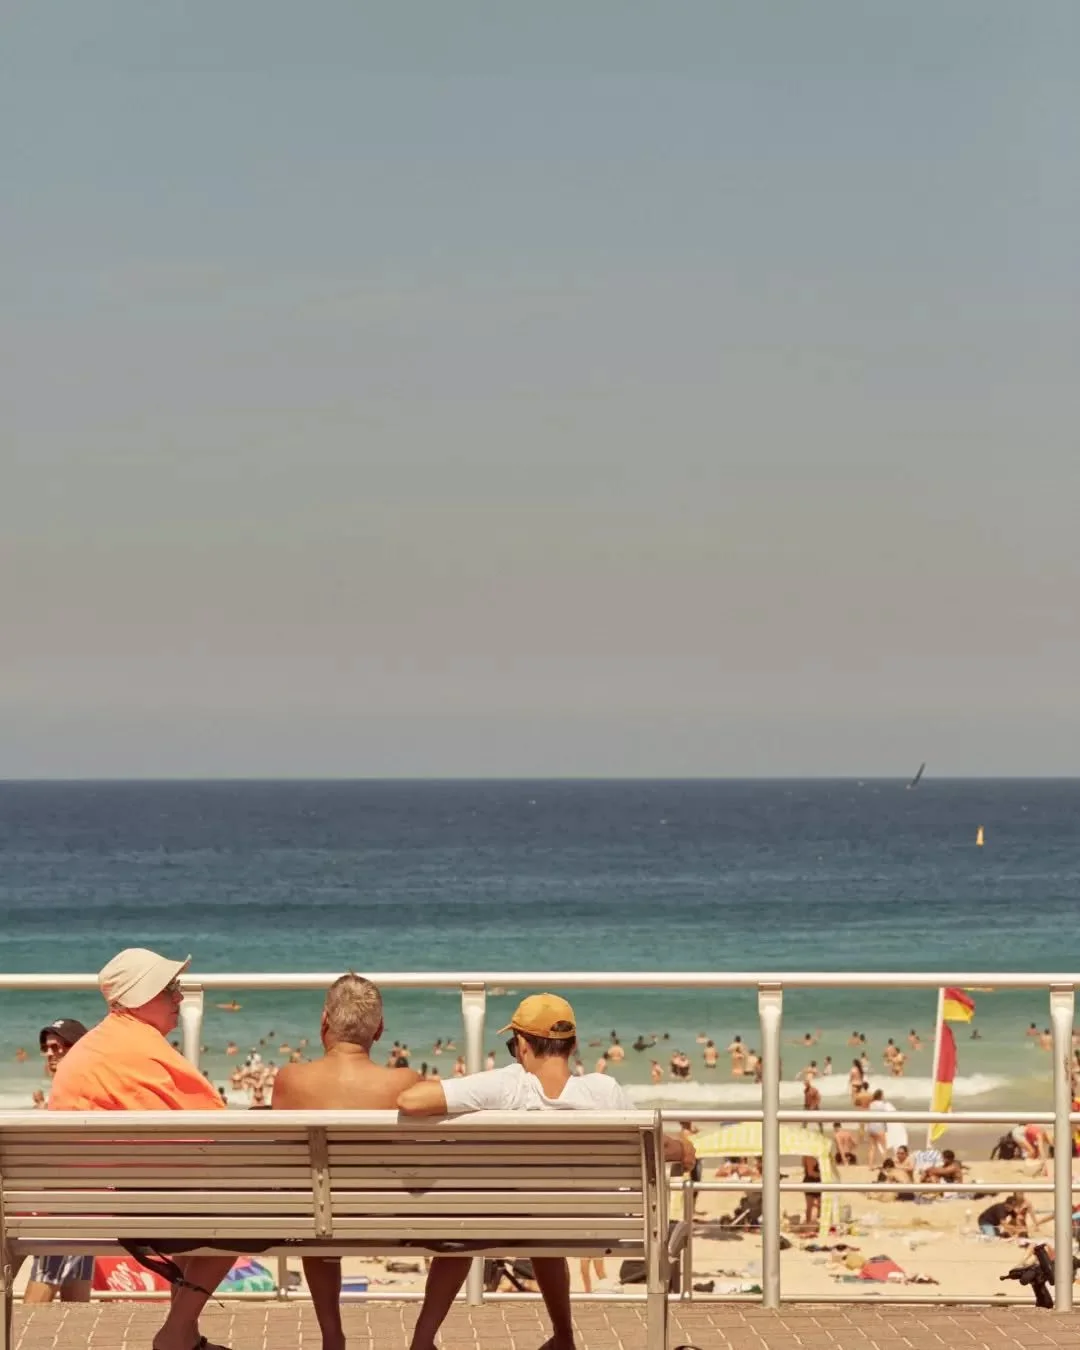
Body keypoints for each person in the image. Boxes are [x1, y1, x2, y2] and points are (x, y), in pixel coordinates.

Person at [397, 993, 694, 1350]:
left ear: (522, 1045)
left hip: (508, 1225)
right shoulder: (604, 1090)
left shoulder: (508, 1084)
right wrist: (685, 1148)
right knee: (543, 1223)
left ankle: (422, 1340)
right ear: (573, 1045)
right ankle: (564, 1337)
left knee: (470, 1225)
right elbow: (657, 1146)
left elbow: (410, 1102)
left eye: (512, 1044)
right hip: (592, 1229)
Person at [48, 948, 231, 1350]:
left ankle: (185, 1335)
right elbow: (219, 1130)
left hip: (75, 1209)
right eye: (171, 989)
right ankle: (176, 1333)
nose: (180, 998)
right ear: (139, 996)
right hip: (127, 1212)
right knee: (254, 1213)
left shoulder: (92, 1048)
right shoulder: (144, 1050)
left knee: (188, 1200)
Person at [272, 973, 419, 1350]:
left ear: (324, 1022)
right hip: (389, 1222)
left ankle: (332, 1334)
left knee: (321, 1207)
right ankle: (423, 1337)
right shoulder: (405, 1082)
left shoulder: (289, 1079)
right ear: (380, 1030)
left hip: (315, 1220)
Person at [24, 1019, 92, 1304]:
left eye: (59, 1046)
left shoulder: (73, 1097)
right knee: (75, 1302)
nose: (51, 1053)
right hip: (88, 1209)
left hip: (66, 1209)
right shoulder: (84, 1091)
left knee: (38, 1294)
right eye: (46, 1048)